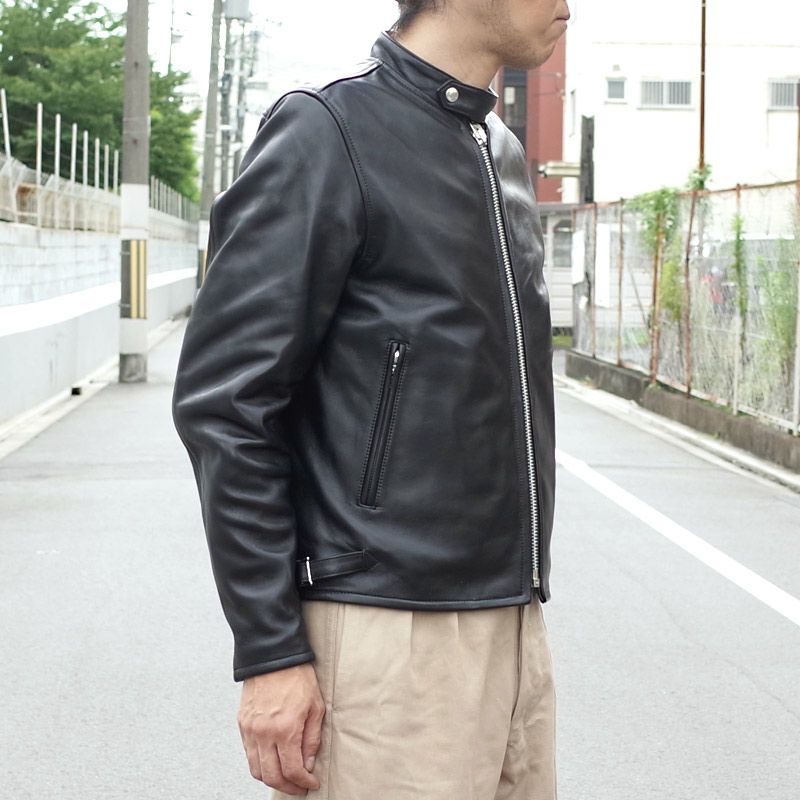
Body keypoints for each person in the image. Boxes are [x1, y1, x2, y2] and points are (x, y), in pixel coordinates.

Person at [171, 0, 568, 797]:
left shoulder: (499, 147)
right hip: (385, 629)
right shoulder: (329, 130)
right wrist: (271, 649)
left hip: (514, 622)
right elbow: (228, 403)